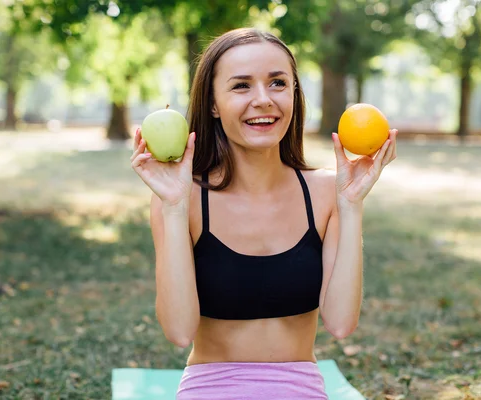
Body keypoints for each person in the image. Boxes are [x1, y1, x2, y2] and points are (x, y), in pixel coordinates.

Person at [130, 27, 397, 400]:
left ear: (294, 93)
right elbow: (178, 331)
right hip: (210, 389)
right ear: (212, 104)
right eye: (241, 86)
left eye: (277, 83)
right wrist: (174, 210)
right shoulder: (180, 198)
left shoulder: (326, 193)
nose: (263, 100)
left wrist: (350, 206)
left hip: (300, 390)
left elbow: (340, 324)